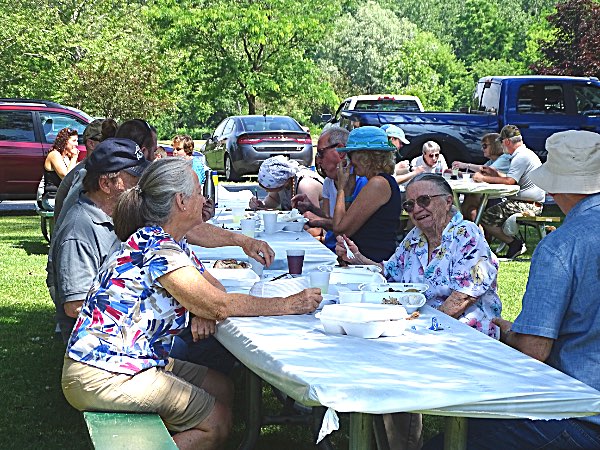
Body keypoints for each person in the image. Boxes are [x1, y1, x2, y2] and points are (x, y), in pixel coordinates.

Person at [61, 157, 322, 449]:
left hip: (126, 360)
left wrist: (202, 307)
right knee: (217, 422)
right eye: (199, 192)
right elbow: (219, 305)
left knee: (221, 386)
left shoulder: (169, 240)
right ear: (181, 202)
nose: (205, 199)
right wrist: (287, 304)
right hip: (105, 372)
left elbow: (212, 293)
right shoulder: (159, 248)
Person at [426, 130, 600, 449]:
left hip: (577, 413)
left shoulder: (561, 247)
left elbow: (534, 352)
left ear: (557, 186)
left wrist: (502, 331)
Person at [50, 138, 150, 343]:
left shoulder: (116, 216)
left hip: (129, 337)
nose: (141, 186)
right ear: (105, 183)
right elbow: (76, 306)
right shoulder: (79, 231)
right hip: (106, 348)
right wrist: (150, 313)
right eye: (134, 179)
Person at [291, 126, 367, 251]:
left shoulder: (361, 181)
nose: (318, 161)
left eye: (321, 153)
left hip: (350, 251)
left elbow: (346, 227)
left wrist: (317, 222)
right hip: (331, 246)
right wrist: (311, 207)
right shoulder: (328, 182)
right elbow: (329, 218)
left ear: (341, 152)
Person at [333, 126, 401, 262]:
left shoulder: (378, 184)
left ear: (364, 157)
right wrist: (348, 191)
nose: (350, 161)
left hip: (372, 263)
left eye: (351, 155)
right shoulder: (381, 182)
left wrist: (341, 188)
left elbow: (340, 230)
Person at [476, 125, 545, 259]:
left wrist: (483, 178)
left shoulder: (521, 157)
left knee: (484, 217)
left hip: (528, 205)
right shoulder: (523, 154)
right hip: (528, 202)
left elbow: (510, 181)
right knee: (488, 213)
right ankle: (511, 243)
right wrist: (494, 173)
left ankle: (514, 244)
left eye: (501, 142)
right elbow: (512, 178)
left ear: (507, 141)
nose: (501, 146)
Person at [54, 118, 118, 222]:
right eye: (107, 142)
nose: (114, 147)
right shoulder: (83, 175)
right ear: (91, 144)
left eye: (117, 141)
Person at [452, 133, 512, 221]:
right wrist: (459, 173)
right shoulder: (492, 161)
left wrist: (464, 165)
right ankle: (474, 228)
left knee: (470, 205)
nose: (482, 149)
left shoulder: (504, 158)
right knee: (470, 206)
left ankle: (472, 228)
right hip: (490, 195)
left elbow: (485, 171)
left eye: (484, 146)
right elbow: (480, 175)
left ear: (495, 146)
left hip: (499, 198)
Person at [249, 155, 323, 211]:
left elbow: (314, 219)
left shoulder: (306, 185)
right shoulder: (285, 181)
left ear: (284, 183)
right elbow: (273, 199)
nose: (266, 191)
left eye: (269, 189)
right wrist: (261, 205)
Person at [41, 128, 80, 211]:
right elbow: (66, 177)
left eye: (77, 141)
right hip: (52, 198)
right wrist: (74, 158)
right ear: (65, 141)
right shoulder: (54, 155)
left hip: (65, 198)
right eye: (74, 141)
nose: (76, 144)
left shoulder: (67, 157)